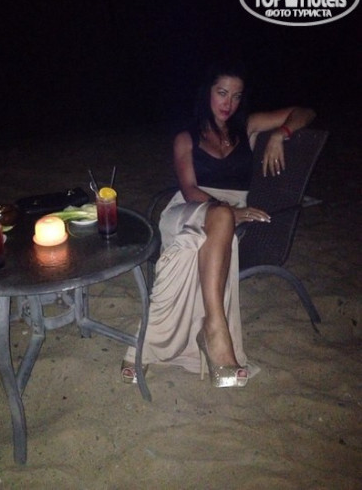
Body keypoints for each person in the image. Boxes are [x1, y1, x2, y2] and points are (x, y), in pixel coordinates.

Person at [122, 58, 316, 388]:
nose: (229, 103)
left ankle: (144, 346)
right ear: (207, 93)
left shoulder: (248, 127)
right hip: (189, 209)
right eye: (222, 93)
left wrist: (279, 135)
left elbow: (305, 112)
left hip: (225, 219)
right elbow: (189, 189)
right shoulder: (186, 137)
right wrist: (226, 210)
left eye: (236, 96)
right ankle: (215, 330)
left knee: (190, 248)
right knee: (218, 219)